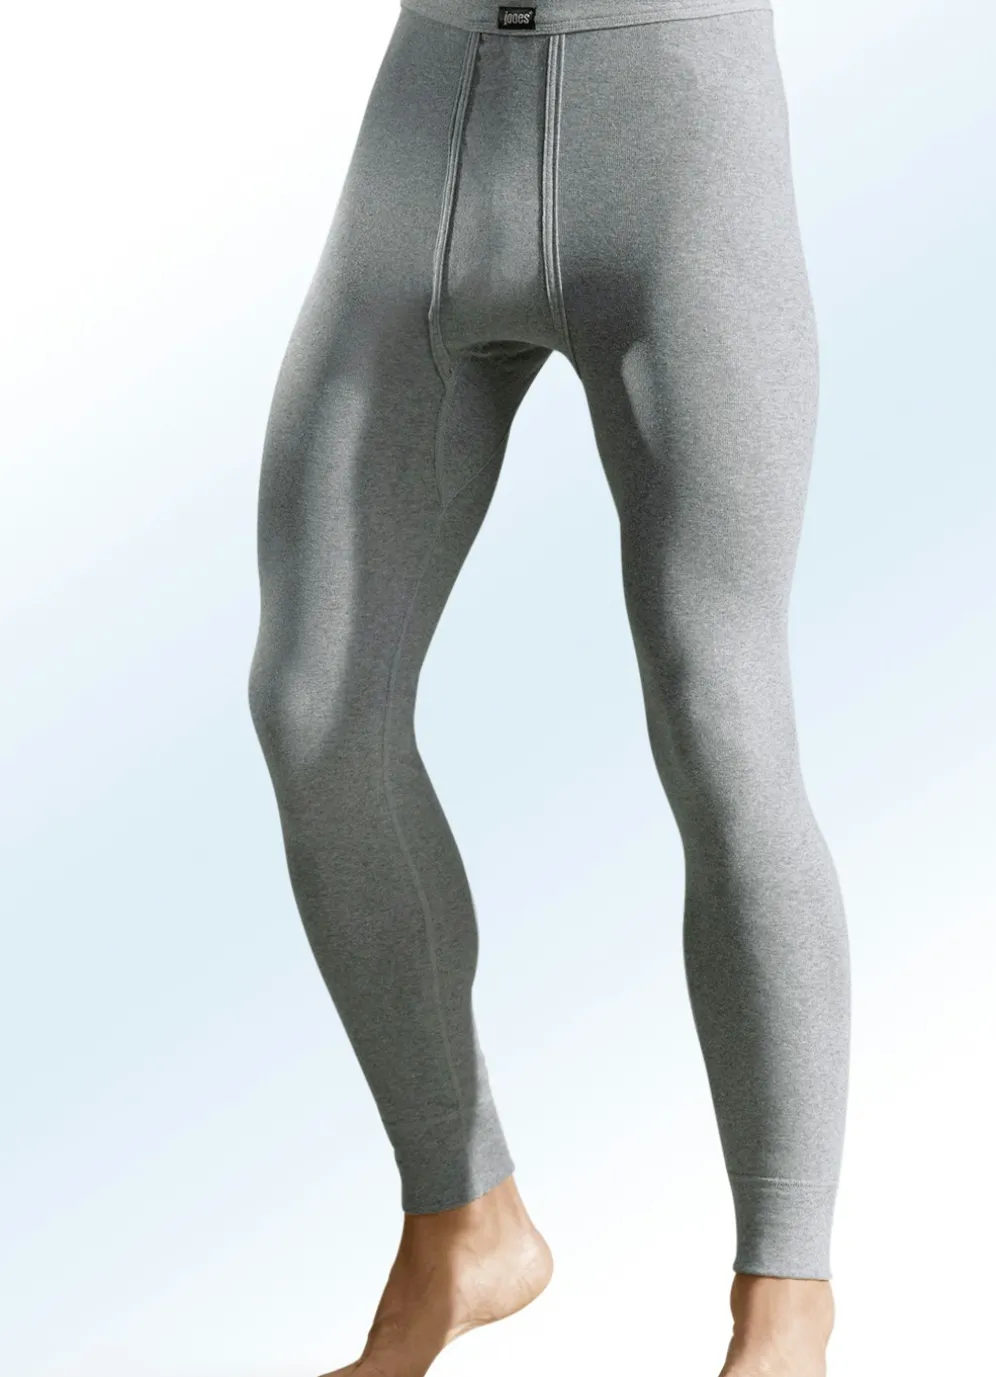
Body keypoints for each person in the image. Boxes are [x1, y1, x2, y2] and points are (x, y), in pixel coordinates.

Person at [246, 2, 852, 1374]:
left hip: (677, 125)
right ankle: (464, 1221)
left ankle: (787, 1304)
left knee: (718, 709)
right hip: (428, 118)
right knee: (314, 705)